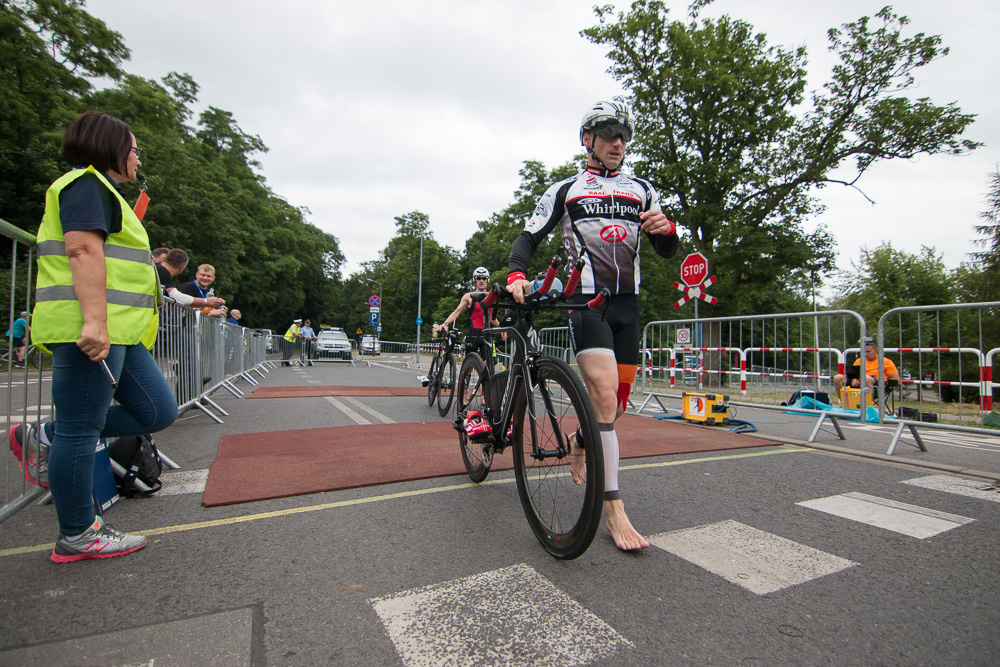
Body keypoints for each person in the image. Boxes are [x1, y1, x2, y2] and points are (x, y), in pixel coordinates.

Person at [505, 101, 680, 551]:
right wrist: (517, 274)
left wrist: (667, 231)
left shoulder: (643, 189)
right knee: (602, 396)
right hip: (585, 302)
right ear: (587, 139)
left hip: (628, 306)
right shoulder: (566, 189)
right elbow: (528, 237)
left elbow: (666, 250)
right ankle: (613, 508)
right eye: (607, 133)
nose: (617, 142)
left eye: (623, 135)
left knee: (613, 409)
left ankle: (582, 438)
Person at [6, 110, 177, 563]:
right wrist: (95, 322)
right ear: (112, 148)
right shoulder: (86, 185)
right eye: (135, 149)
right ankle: (78, 533)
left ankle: (47, 434)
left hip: (119, 331)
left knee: (157, 409)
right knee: (81, 431)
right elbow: (82, 249)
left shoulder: (102, 191)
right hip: (93, 328)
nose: (138, 158)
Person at [437, 267, 501, 361]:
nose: (481, 281)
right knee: (469, 364)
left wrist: (501, 327)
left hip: (486, 334)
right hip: (473, 335)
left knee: (488, 365)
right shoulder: (469, 296)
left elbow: (490, 318)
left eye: (484, 278)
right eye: (478, 278)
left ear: (487, 280)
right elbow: (457, 312)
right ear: (474, 280)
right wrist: (445, 323)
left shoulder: (491, 297)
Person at [833, 340, 900, 406]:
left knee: (866, 378)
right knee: (837, 377)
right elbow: (852, 374)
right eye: (864, 352)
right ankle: (843, 402)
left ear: (876, 350)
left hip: (876, 385)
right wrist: (853, 379)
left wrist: (879, 379)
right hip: (858, 383)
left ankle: (868, 405)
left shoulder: (886, 362)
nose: (865, 354)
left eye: (868, 351)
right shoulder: (859, 361)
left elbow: (897, 381)